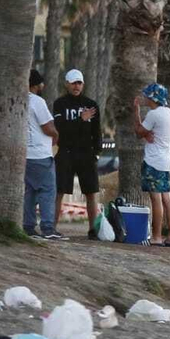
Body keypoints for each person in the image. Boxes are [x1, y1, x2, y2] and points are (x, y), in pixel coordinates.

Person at [53, 68, 101, 236]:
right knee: (58, 191)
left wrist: (97, 152)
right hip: (66, 152)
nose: (76, 86)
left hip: (87, 154)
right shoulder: (60, 104)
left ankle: (93, 229)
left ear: (83, 84)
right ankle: (51, 227)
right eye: (73, 82)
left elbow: (97, 131)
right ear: (67, 84)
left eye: (79, 82)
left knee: (91, 192)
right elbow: (61, 129)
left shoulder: (92, 105)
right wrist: (80, 119)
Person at [132, 82, 170, 246]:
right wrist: (146, 134)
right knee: (167, 198)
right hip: (165, 161)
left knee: (156, 199)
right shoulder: (169, 113)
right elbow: (148, 133)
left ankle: (156, 236)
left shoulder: (154, 115)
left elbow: (138, 132)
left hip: (153, 162)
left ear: (152, 98)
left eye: (146, 96)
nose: (144, 98)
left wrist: (136, 110)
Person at [23, 69, 62, 239]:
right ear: (37, 84)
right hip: (40, 153)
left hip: (25, 153)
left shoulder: (18, 99)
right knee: (47, 191)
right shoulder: (37, 101)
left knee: (30, 192)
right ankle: (48, 227)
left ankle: (28, 226)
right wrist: (56, 134)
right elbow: (47, 127)